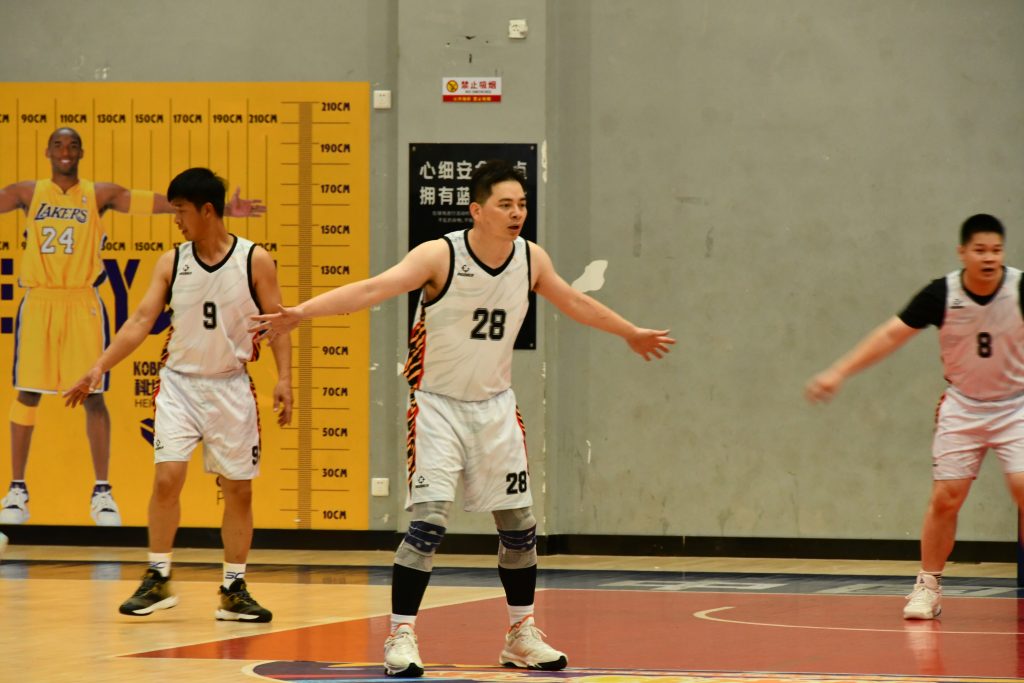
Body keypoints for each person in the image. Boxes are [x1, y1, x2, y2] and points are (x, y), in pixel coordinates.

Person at [252, 160, 675, 676]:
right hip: (436, 406)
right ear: (477, 210)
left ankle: (520, 634)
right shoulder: (439, 255)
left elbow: (574, 301)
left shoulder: (530, 258)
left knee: (519, 527)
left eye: (522, 204)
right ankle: (400, 635)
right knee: (428, 523)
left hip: (495, 408)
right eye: (505, 204)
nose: (517, 213)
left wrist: (629, 331)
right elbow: (372, 290)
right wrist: (301, 313)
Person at [0, 127, 265, 526]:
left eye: (72, 145)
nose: (65, 151)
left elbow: (159, 204)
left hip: (82, 300)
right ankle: (17, 488)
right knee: (28, 392)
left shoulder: (98, 194)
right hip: (39, 298)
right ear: (47, 151)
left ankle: (102, 491)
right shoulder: (27, 192)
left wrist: (224, 207)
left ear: (82, 152)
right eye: (58, 144)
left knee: (93, 395)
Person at [64, 167, 292, 622]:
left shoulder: (255, 260)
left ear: (207, 211)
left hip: (231, 385)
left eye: (181, 211)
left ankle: (233, 589)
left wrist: (284, 377)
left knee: (238, 491)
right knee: (167, 478)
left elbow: (278, 324)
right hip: (179, 386)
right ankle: (158, 577)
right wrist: (99, 366)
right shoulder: (172, 262)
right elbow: (139, 322)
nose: (176, 220)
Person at [805, 213, 1024, 621]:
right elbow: (891, 334)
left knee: (1022, 487)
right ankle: (928, 585)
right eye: (980, 250)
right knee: (946, 498)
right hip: (964, 405)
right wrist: (838, 371)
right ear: (962, 252)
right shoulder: (942, 293)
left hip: (1017, 405)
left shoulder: (1020, 288)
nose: (989, 258)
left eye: (996, 250)